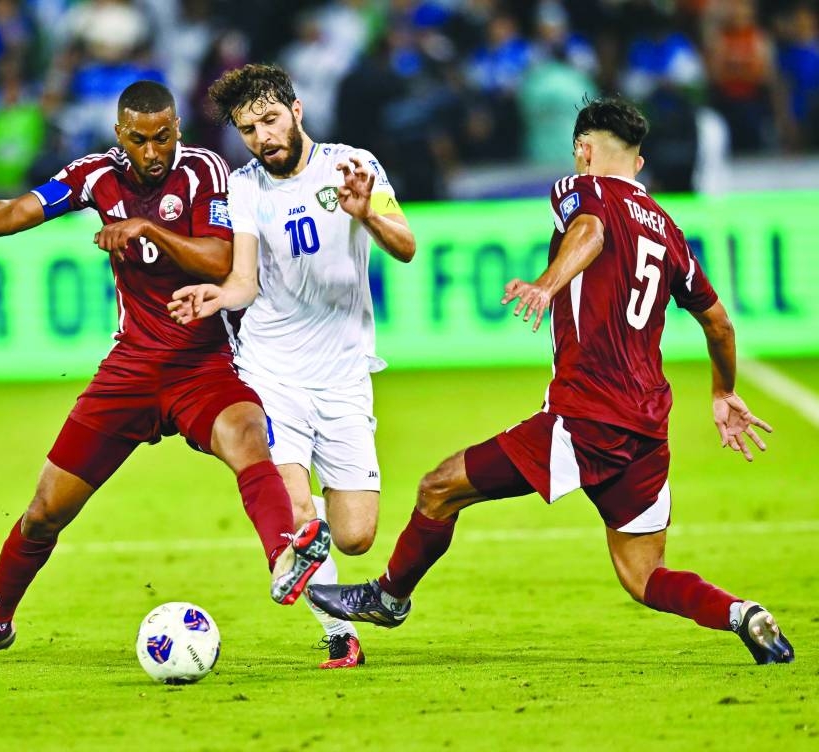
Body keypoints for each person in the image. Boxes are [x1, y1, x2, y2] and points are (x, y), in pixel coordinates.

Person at [308, 96, 794, 666]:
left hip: (588, 414)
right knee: (644, 574)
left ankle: (388, 599)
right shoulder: (668, 230)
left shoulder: (580, 188)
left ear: (584, 152)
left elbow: (590, 231)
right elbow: (718, 322)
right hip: (646, 427)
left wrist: (548, 282)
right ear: (638, 164)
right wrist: (722, 391)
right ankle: (743, 614)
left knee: (438, 489)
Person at [0, 80, 330, 674]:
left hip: (201, 364)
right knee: (44, 512)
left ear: (178, 130)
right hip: (130, 370)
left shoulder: (204, 172)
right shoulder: (95, 175)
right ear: (120, 135)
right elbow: (22, 209)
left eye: (164, 136)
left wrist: (147, 230)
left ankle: (282, 560)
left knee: (246, 433)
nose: (154, 151)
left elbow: (222, 259)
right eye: (140, 139)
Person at [169, 63, 416, 669]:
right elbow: (245, 280)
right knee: (294, 509)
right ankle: (337, 633)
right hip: (271, 369)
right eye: (248, 129)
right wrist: (216, 295)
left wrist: (368, 215)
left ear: (297, 110)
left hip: (345, 371)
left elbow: (406, 246)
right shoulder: (244, 186)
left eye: (271, 120)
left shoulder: (354, 164)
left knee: (355, 535)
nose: (262, 137)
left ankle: (308, 557)